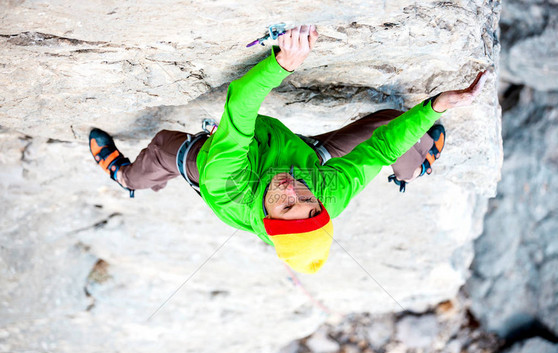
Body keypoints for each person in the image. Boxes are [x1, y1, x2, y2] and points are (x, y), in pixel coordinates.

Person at [89, 25, 489, 274]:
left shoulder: (227, 184)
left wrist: (281, 65)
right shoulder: (326, 195)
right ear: (321, 209)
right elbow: (380, 151)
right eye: (309, 202)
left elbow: (241, 106)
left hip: (224, 160)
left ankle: (125, 176)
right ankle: (412, 170)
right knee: (391, 125)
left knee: (163, 148)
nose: (293, 189)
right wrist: (438, 105)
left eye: (286, 204)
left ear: (268, 217)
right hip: (303, 154)